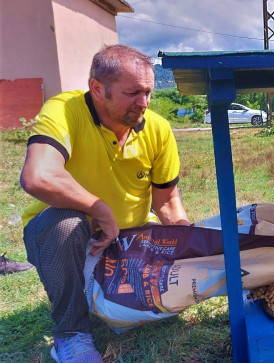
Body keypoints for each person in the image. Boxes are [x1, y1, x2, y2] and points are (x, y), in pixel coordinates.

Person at [20, 44, 190, 362]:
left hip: (126, 243)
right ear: (98, 89)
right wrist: (100, 210)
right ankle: (71, 336)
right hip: (69, 240)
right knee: (65, 225)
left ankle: (105, 294)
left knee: (165, 301)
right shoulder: (66, 110)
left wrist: (189, 242)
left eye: (148, 92)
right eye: (132, 93)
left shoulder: (158, 129)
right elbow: (38, 176)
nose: (144, 103)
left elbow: (166, 201)